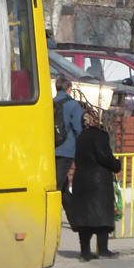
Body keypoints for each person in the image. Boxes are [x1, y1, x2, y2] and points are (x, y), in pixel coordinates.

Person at [70, 110, 122, 262]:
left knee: (85, 218)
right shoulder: (100, 135)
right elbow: (104, 156)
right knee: (102, 217)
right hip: (98, 181)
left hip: (81, 179)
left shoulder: (80, 136)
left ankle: (85, 252)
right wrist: (116, 165)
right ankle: (103, 249)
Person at [54, 77, 83, 222]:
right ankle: (51, 218)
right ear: (69, 89)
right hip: (66, 150)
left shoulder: (51, 103)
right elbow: (78, 128)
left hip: (52, 149)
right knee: (58, 186)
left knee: (63, 186)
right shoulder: (73, 105)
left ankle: (74, 220)